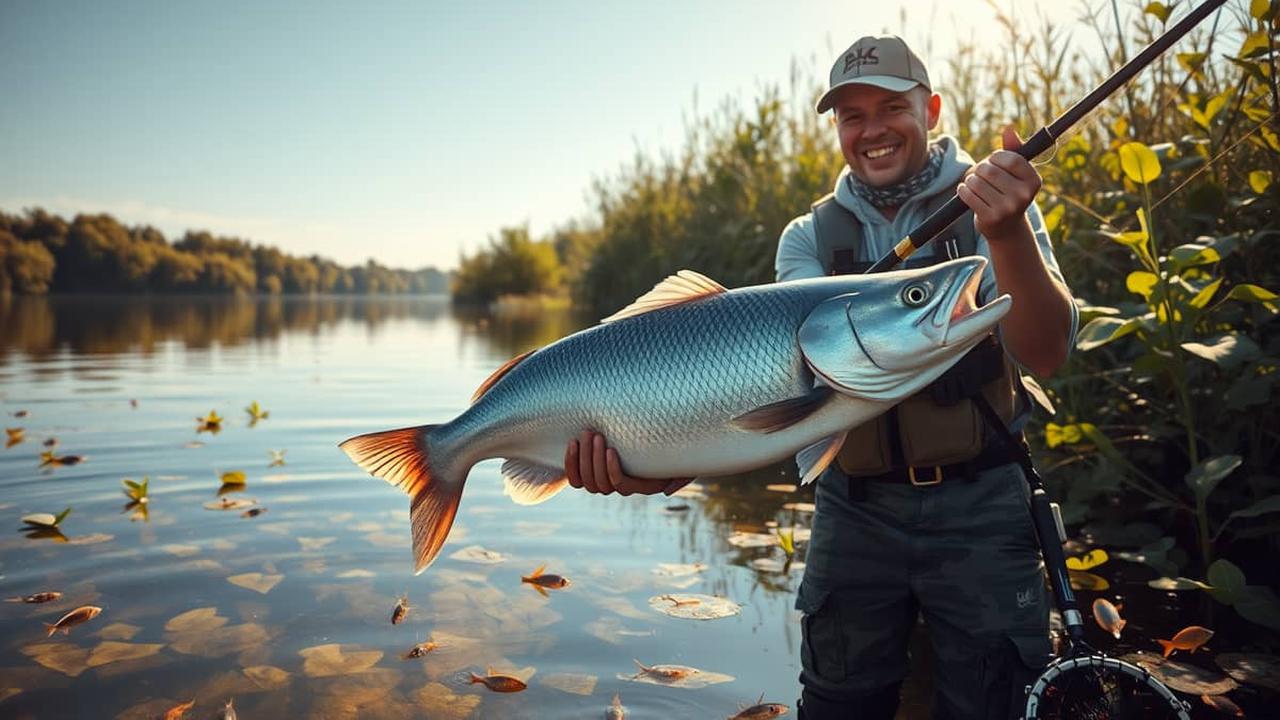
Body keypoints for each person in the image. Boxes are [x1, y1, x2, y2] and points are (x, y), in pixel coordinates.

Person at [565, 34, 1077, 720]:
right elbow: (779, 398)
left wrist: (1008, 235)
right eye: (850, 115)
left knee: (991, 699)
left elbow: (1045, 353)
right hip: (854, 506)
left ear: (930, 108)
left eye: (890, 107)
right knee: (840, 697)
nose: (871, 130)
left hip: (984, 500)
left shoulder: (995, 200)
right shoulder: (807, 236)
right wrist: (657, 462)